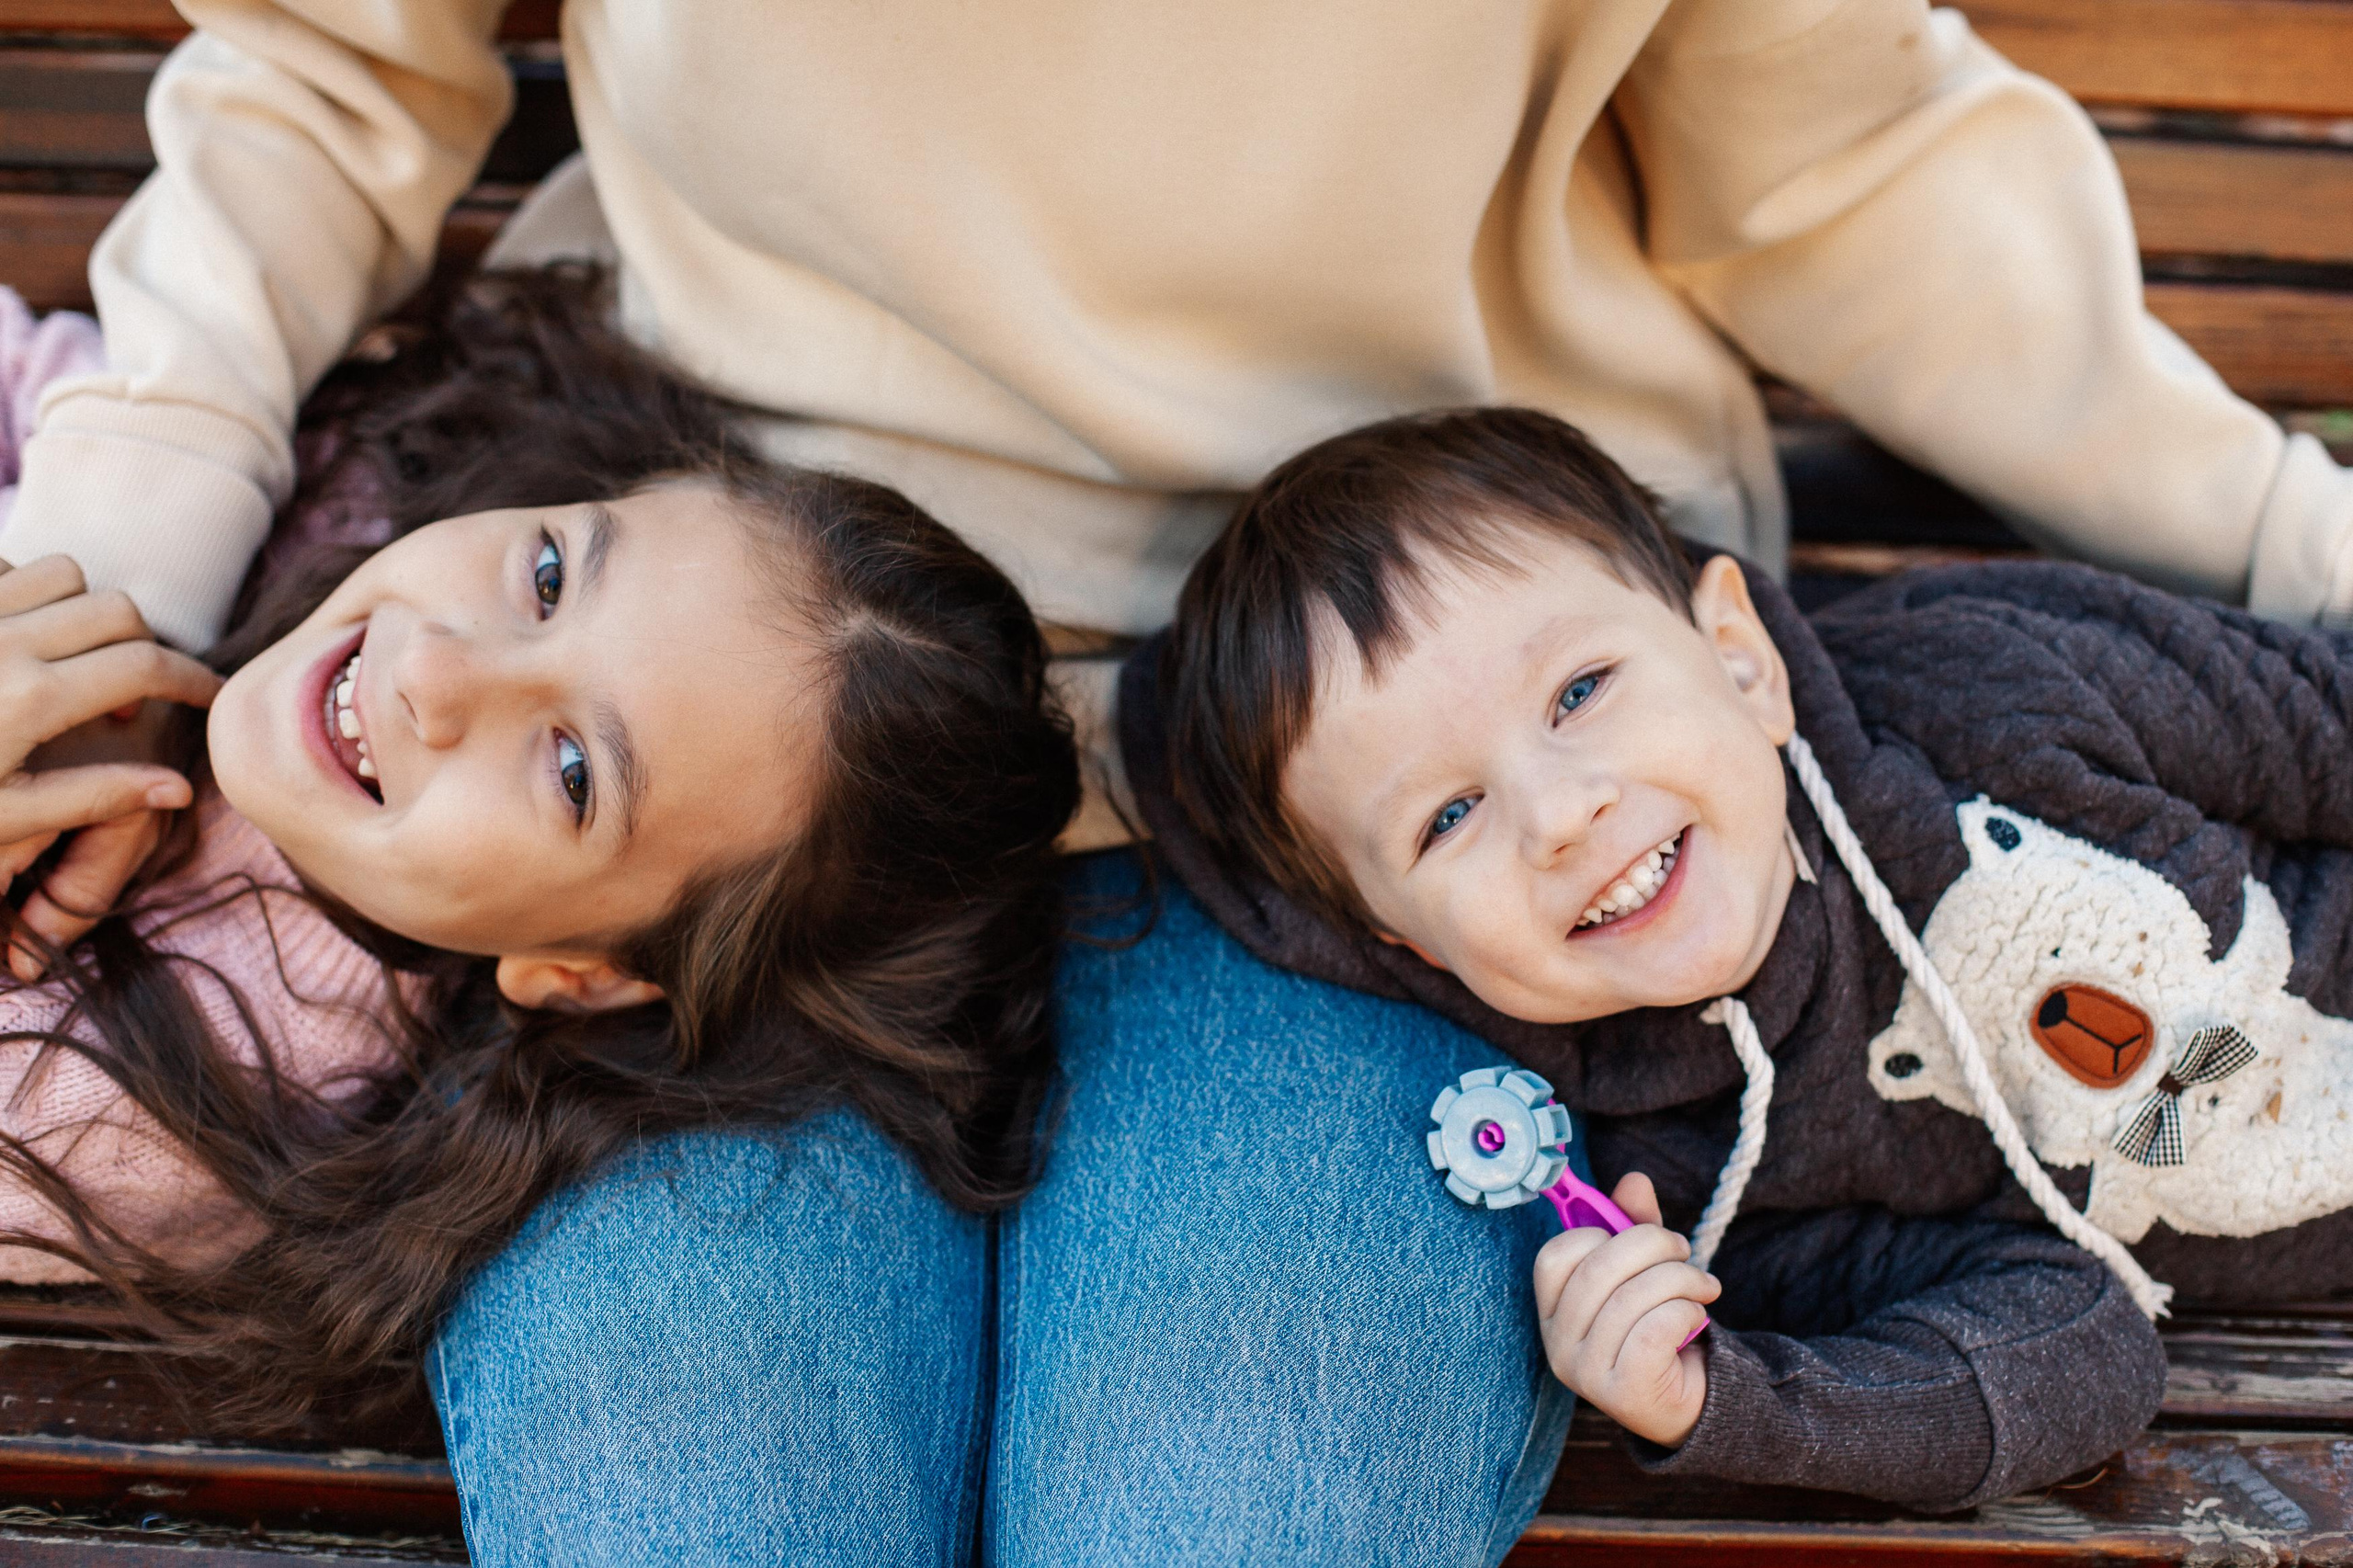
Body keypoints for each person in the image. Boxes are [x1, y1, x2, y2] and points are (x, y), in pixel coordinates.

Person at [6, 1, 2351, 1561]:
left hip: (1395, 793)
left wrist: (2295, 555)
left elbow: (1839, 171)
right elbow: (327, 73)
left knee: (1239, 1508)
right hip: (707, 803)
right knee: (681, 1506)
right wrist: (96, 602)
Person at [1143, 403, 2353, 1506]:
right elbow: (2081, 1350)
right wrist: (1717, 1399)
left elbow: (2327, 723)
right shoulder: (1692, 1168)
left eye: (1579, 691)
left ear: (1740, 658)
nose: (1559, 814)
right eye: (1446, 818)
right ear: (1407, 943)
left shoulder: (1994, 688)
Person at [0, 268, 1077, 1415]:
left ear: (583, 973)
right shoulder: (358, 490)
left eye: (573, 773)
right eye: (552, 575)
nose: (432, 668)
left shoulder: (165, 1100)